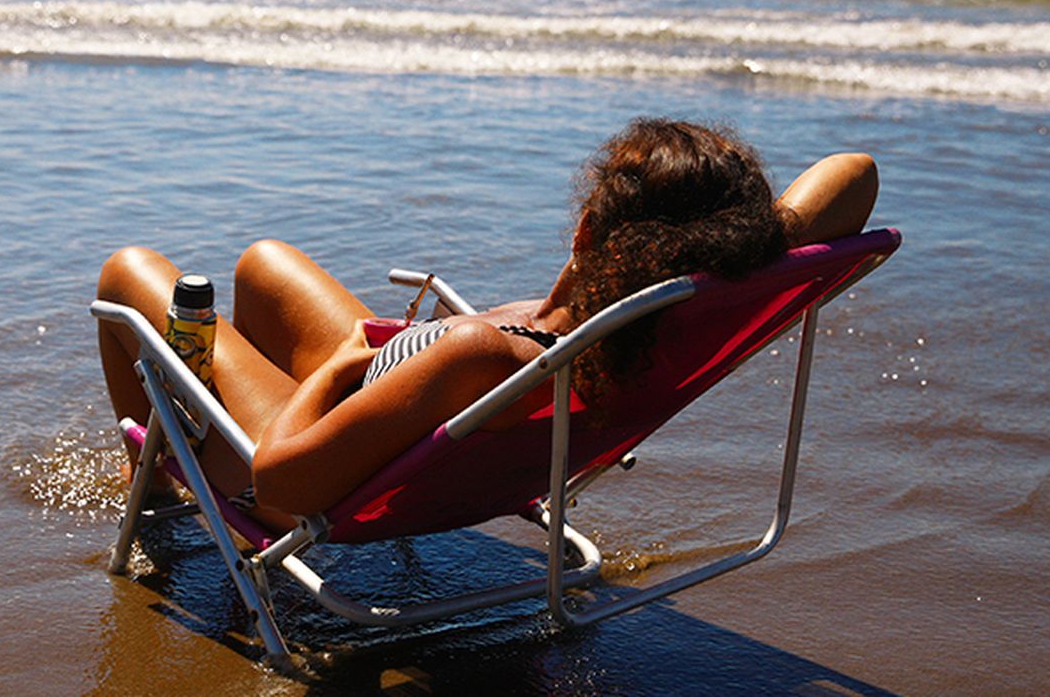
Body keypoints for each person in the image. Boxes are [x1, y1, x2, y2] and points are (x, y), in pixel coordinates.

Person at [95, 119, 877, 524]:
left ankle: (161, 487)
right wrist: (739, 245)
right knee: (264, 262)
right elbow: (855, 176)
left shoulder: (483, 353)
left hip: (318, 464)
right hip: (417, 401)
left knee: (132, 277)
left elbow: (283, 482)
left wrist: (338, 366)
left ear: (586, 235)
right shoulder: (661, 324)